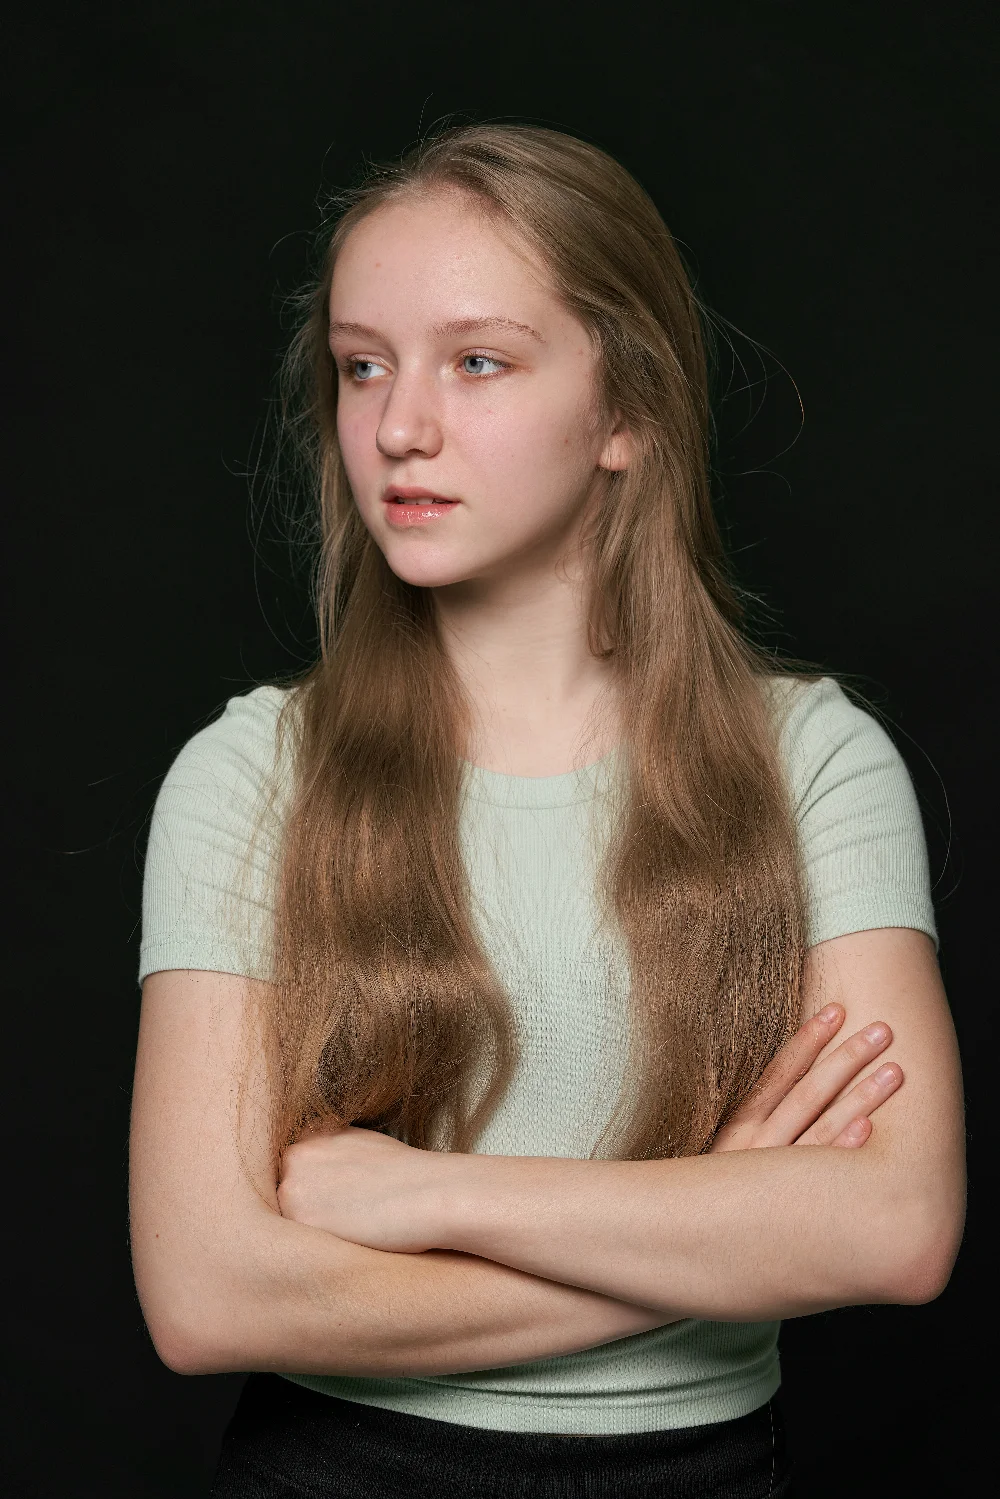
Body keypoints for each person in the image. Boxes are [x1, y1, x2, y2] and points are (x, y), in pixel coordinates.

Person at [129, 125, 966, 1498]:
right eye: (362, 364)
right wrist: (718, 1225)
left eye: (478, 361)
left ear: (627, 411)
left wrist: (425, 1194)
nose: (399, 426)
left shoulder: (812, 761)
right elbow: (209, 1296)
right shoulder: (253, 776)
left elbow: (895, 1226)